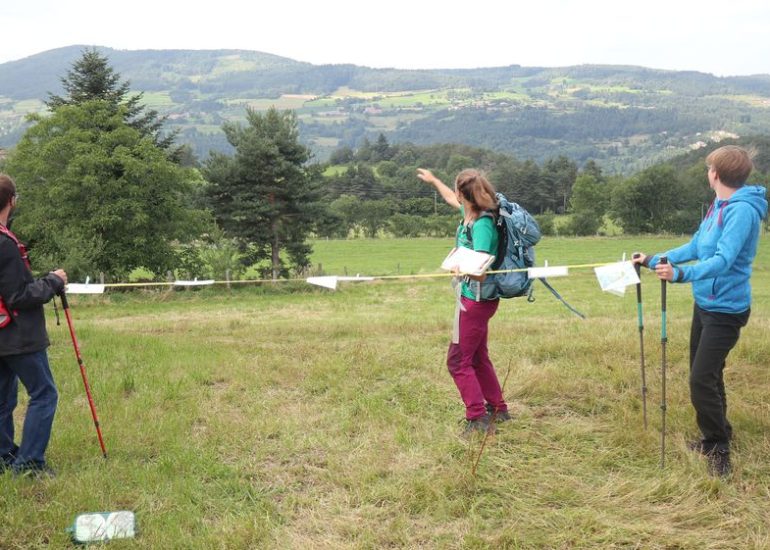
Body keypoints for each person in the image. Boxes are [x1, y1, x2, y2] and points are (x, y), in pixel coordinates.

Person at [633, 146, 767, 477]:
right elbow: (695, 246)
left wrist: (680, 275)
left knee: (700, 378)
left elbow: (723, 260)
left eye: (709, 168)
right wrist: (655, 258)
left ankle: (719, 447)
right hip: (705, 304)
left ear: (715, 174)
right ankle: (718, 433)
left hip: (726, 309)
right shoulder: (719, 206)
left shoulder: (741, 212)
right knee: (706, 373)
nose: (708, 172)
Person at [417, 168, 511, 436]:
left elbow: (481, 271)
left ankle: (477, 418)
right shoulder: (469, 212)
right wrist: (434, 180)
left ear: (465, 194)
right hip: (474, 299)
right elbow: (449, 198)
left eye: (456, 190)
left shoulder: (482, 224)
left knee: (457, 361)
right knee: (478, 357)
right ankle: (498, 409)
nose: (454, 195)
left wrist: (460, 269)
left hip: (476, 301)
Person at [0, 173, 67, 477]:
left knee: (3, 399)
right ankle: (29, 465)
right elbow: (18, 295)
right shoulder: (5, 244)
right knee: (44, 394)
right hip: (18, 335)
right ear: (12, 201)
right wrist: (53, 281)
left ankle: (4, 457)